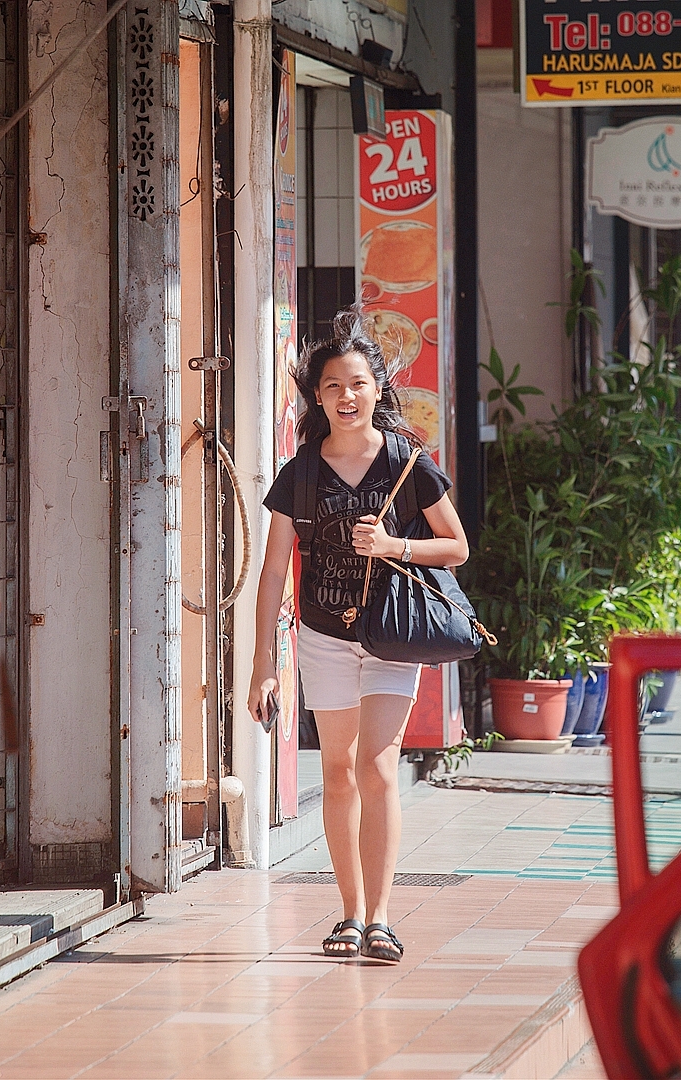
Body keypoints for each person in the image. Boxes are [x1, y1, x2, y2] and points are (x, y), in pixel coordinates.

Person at [248, 311, 469, 964]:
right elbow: (273, 575)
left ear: (378, 389)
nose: (347, 397)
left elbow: (455, 547)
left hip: (392, 636)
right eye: (333, 387)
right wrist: (265, 664)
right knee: (338, 772)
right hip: (322, 635)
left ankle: (380, 917)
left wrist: (394, 544)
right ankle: (347, 914)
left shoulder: (406, 460)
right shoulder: (301, 473)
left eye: (358, 383)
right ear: (317, 398)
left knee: (377, 768)